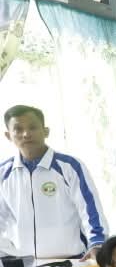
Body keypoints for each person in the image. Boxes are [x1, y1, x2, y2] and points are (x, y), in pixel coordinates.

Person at [1, 104, 106, 259]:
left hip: (73, 262)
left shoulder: (69, 167)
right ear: (8, 136)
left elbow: (89, 209)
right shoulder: (3, 173)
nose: (26, 134)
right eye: (18, 129)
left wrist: (97, 243)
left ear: (46, 131)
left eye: (32, 127)